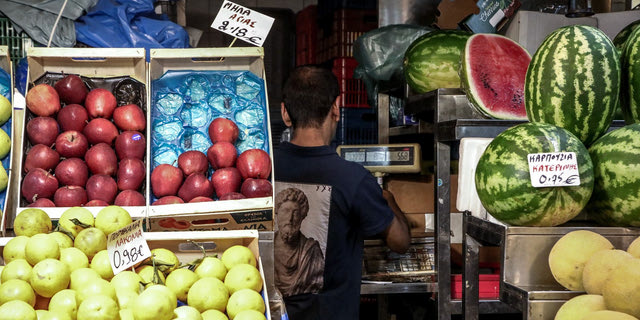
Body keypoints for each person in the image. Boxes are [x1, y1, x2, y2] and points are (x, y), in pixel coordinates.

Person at [274, 65, 411, 319]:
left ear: (284, 112)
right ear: (336, 108)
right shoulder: (353, 179)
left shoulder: (264, 170)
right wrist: (388, 200)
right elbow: (400, 241)